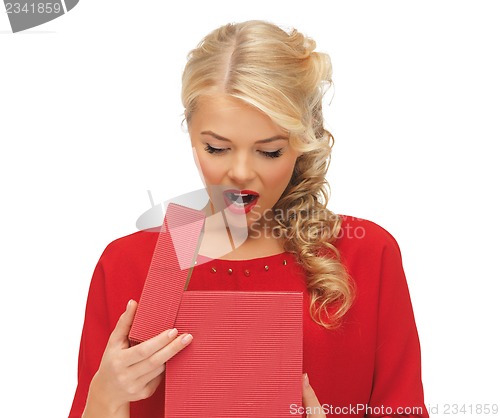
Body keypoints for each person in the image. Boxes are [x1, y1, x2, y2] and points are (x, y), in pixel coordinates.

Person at [68, 20, 429, 418]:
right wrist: (103, 399)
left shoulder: (365, 254)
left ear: (303, 143)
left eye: (269, 151)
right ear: (191, 134)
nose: (239, 172)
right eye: (217, 148)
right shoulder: (131, 264)